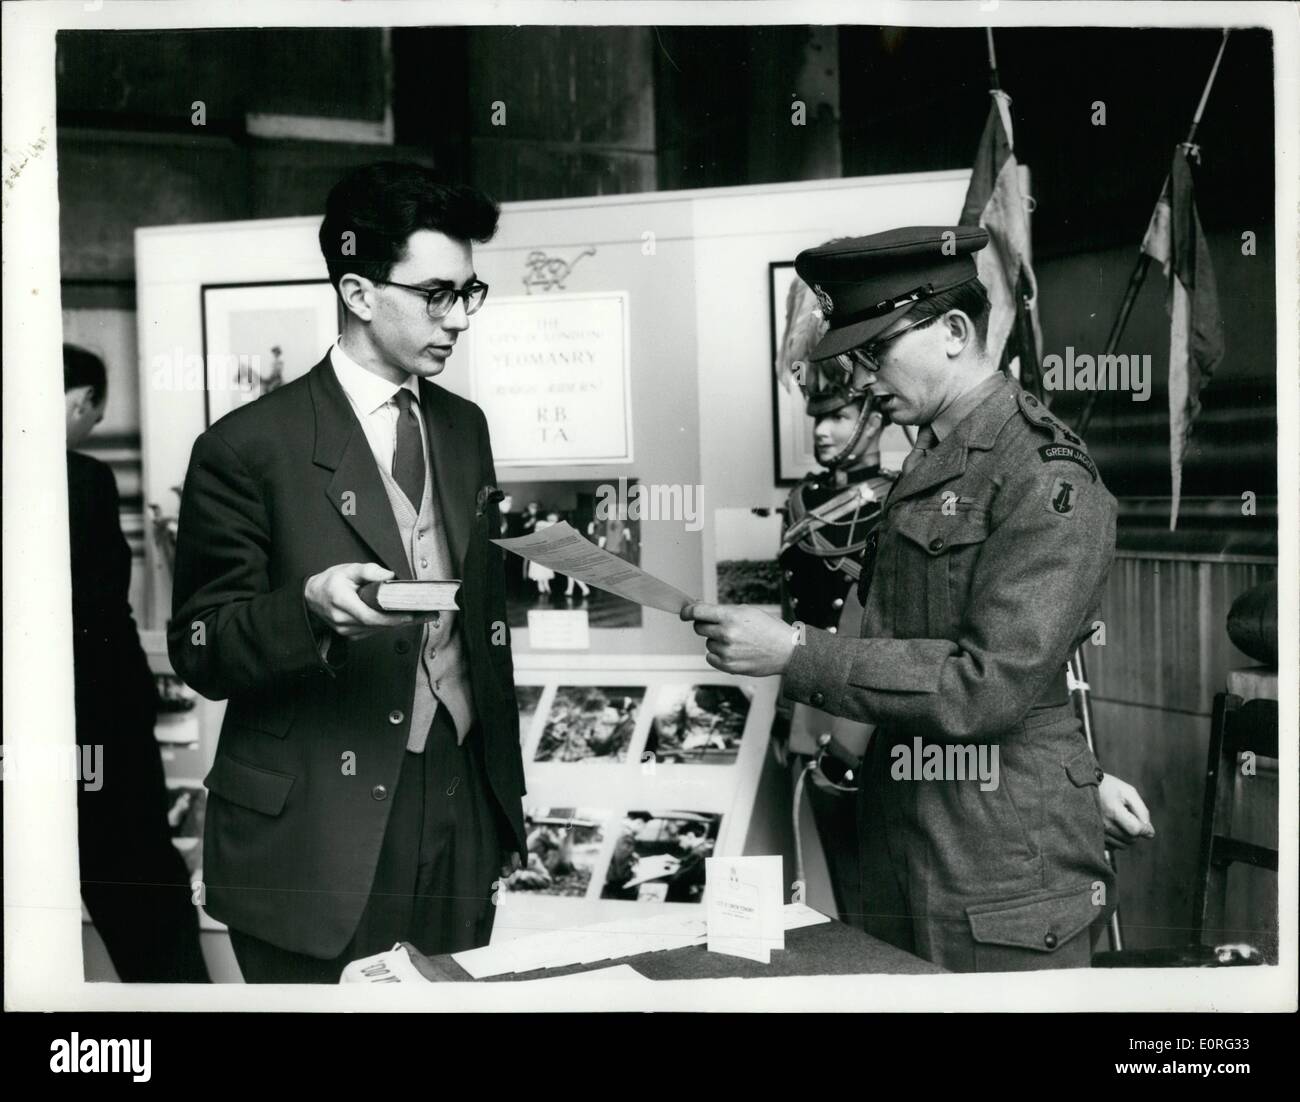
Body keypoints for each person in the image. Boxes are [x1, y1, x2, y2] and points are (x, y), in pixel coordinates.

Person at [682, 226, 1155, 972]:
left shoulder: (1044, 474)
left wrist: (794, 652)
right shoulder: (937, 458)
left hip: (1000, 866)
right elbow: (912, 633)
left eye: (877, 351)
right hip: (908, 838)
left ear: (956, 332)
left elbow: (991, 687)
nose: (863, 378)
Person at [168, 161, 526, 983]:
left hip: (459, 797)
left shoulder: (464, 427)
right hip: (317, 831)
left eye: (469, 293)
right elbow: (199, 645)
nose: (458, 319)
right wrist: (309, 609)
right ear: (360, 293)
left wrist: (495, 806)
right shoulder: (245, 447)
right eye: (436, 294)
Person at [63, 344, 210, 982]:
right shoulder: (83, 480)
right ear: (81, 400)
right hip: (94, 730)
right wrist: (139, 706)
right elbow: (104, 614)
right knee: (141, 889)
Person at [771, 271, 897, 926]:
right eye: (817, 417)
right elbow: (795, 609)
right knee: (813, 880)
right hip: (807, 702)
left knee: (869, 879)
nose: (822, 432)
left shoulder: (897, 501)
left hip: (863, 712)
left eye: (839, 416)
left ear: (872, 418)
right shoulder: (803, 502)